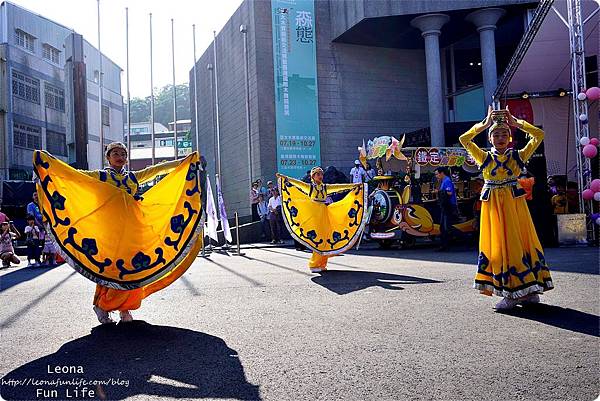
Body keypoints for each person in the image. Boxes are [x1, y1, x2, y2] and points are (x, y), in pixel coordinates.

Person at [33, 142, 204, 324]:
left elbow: (156, 170)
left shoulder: (133, 177)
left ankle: (125, 309)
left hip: (133, 232)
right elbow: (75, 176)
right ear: (108, 157)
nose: (120, 156)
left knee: (134, 269)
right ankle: (102, 306)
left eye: (123, 153)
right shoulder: (100, 176)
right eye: (115, 153)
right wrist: (50, 163)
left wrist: (181, 162)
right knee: (110, 270)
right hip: (110, 233)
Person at [459, 106, 553, 310]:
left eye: (504, 134)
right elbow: (464, 140)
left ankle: (527, 290)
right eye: (496, 134)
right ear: (490, 138)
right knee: (499, 245)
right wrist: (483, 125)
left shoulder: (518, 155)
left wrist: (515, 122)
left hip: (513, 204)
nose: (500, 137)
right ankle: (513, 291)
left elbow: (539, 135)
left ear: (510, 137)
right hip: (493, 206)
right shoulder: (483, 157)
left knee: (518, 242)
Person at [277, 167, 368, 273]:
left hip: (324, 214)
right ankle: (314, 264)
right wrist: (285, 178)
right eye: (318, 174)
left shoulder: (325, 187)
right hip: (314, 215)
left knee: (325, 239)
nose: (320, 176)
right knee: (318, 240)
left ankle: (322, 263)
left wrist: (354, 186)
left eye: (321, 174)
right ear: (313, 176)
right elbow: (297, 183)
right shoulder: (309, 187)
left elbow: (339, 187)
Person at [434, 167, 457, 251]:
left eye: (437, 174)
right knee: (443, 226)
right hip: (445, 205)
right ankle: (444, 245)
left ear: (442, 173)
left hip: (448, 205)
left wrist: (438, 192)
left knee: (445, 226)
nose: (436, 176)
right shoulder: (443, 180)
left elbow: (450, 192)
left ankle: (446, 245)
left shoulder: (447, 181)